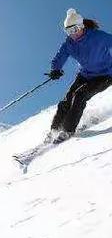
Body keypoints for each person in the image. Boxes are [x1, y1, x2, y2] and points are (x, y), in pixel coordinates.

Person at [47, 8, 112, 143]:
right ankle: (54, 130)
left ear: (81, 26)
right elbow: (60, 57)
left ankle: (67, 130)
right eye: (68, 31)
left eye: (74, 29)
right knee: (66, 100)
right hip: (84, 74)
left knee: (79, 95)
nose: (72, 34)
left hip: (104, 75)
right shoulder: (69, 44)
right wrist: (56, 69)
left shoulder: (98, 37)